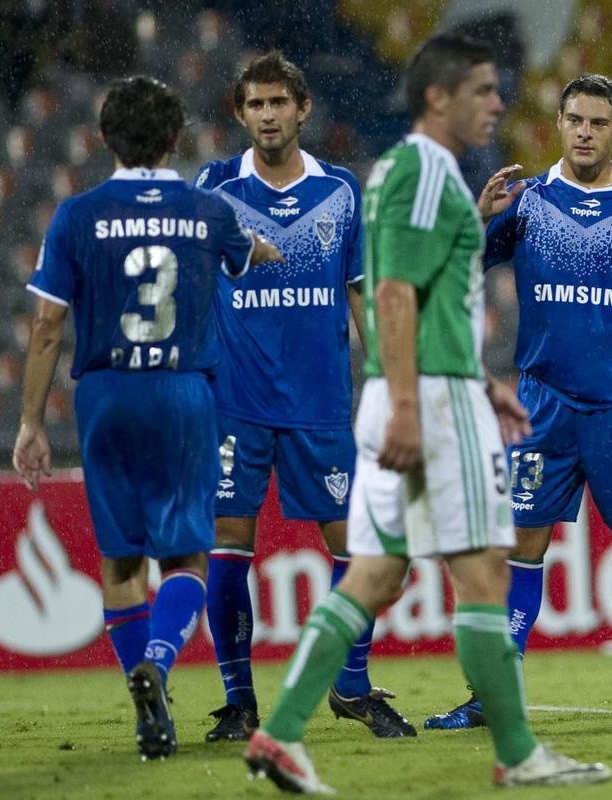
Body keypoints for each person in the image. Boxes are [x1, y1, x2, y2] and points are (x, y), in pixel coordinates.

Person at [242, 34, 612, 793]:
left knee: (375, 575)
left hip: (430, 391)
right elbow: (392, 295)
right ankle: (518, 754)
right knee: (481, 577)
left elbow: (434, 293)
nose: (497, 103)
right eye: (481, 90)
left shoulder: (423, 174)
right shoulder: (419, 170)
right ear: (438, 98)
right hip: (427, 404)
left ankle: (278, 736)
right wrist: (418, 403)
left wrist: (479, 378)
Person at [425, 73, 612, 731]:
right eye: (574, 120)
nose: (585, 132)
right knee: (521, 543)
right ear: (558, 124)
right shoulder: (524, 201)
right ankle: (492, 694)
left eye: (598, 122)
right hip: (542, 402)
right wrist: (477, 216)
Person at [12, 76, 281, 760]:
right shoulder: (207, 210)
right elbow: (244, 250)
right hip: (182, 392)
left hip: (105, 392)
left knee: (121, 559)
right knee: (187, 554)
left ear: (105, 138)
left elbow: (46, 326)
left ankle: (148, 709)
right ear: (173, 138)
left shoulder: (76, 214)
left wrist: (31, 423)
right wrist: (261, 250)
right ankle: (156, 668)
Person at [194, 52, 414, 742]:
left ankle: (349, 687)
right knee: (229, 544)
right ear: (240, 112)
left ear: (302, 108)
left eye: (277, 104)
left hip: (320, 402)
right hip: (234, 402)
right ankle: (239, 702)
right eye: (254, 105)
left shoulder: (341, 190)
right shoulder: (215, 185)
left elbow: (359, 291)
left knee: (354, 548)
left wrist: (388, 377)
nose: (266, 116)